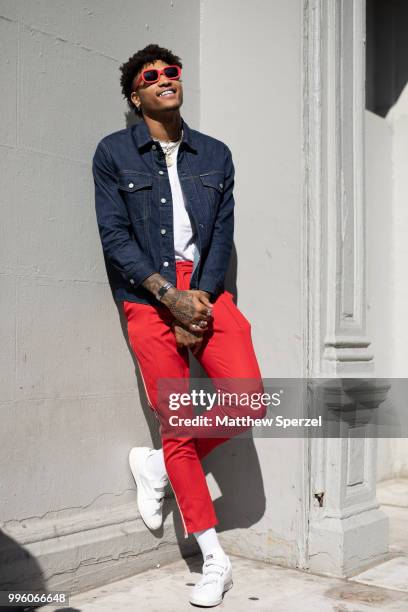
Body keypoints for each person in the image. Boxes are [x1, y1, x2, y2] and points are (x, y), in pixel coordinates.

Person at [92, 43, 265, 608]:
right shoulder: (113, 154)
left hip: (207, 291)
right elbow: (115, 237)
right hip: (147, 296)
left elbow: (220, 238)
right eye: (152, 75)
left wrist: (203, 302)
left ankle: (159, 466)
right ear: (135, 94)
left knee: (249, 401)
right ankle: (214, 558)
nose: (166, 79)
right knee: (179, 424)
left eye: (172, 71)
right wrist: (169, 298)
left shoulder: (215, 154)